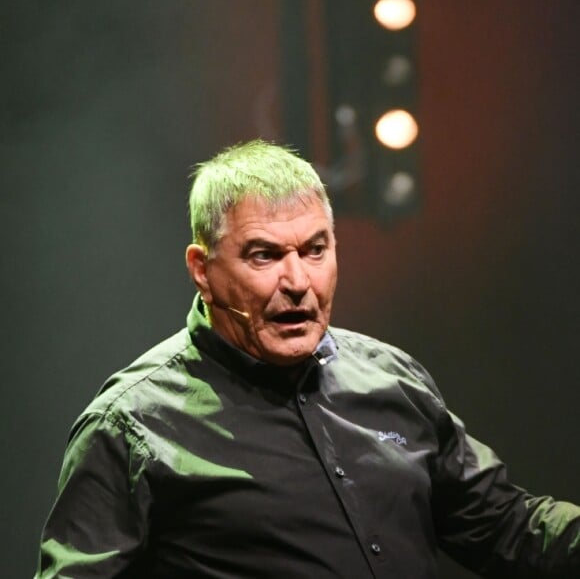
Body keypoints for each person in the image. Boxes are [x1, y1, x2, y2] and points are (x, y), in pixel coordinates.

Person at [35, 140, 579, 578]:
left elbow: (508, 529)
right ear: (202, 268)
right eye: (264, 255)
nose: (297, 282)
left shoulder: (393, 378)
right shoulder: (131, 426)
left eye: (315, 250)